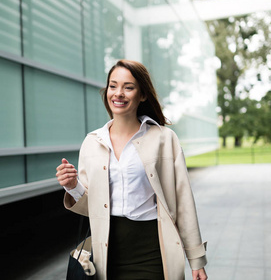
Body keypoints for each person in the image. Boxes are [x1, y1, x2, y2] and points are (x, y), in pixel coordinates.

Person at [56, 59, 208, 280]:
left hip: (152, 253)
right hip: (105, 256)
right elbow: (92, 207)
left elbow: (183, 201)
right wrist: (73, 186)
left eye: (128, 87)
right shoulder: (92, 142)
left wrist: (196, 260)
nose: (118, 93)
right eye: (113, 85)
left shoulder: (165, 139)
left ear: (142, 95)